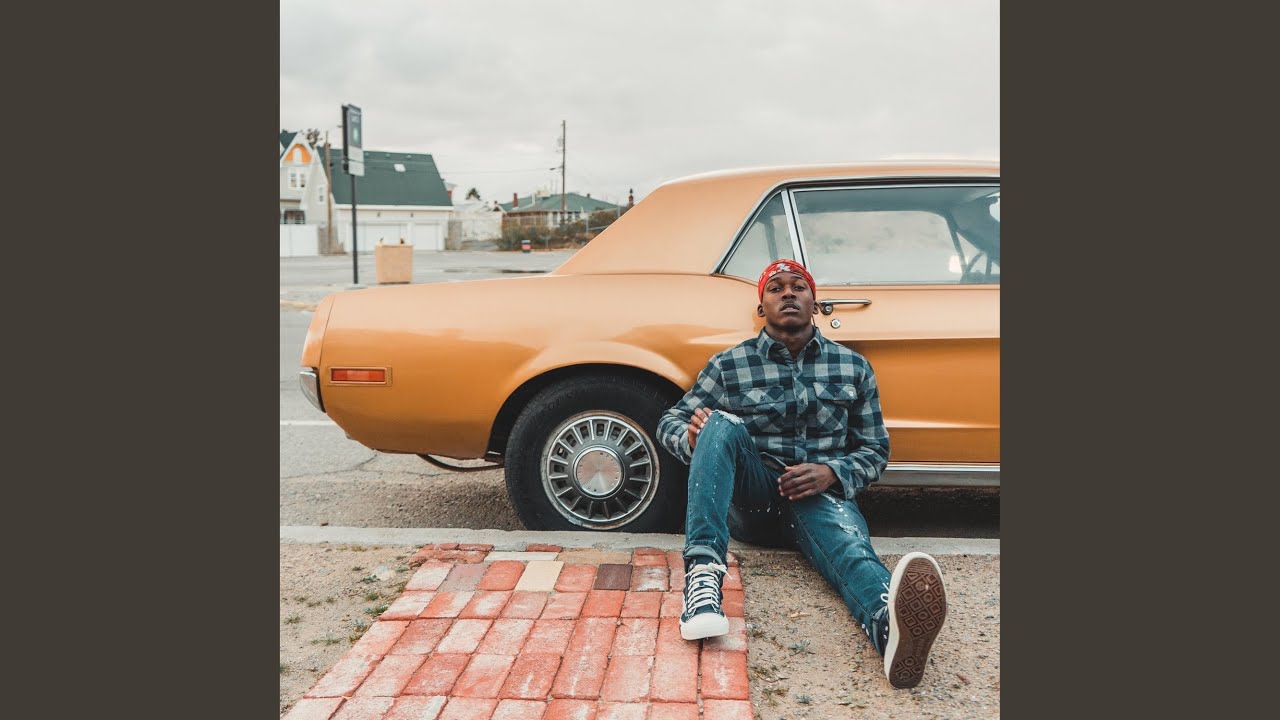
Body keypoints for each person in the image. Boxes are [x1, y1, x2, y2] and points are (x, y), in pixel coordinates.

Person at [656, 258, 948, 689]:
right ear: (762, 308)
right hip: (754, 499)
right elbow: (670, 421)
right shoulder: (728, 365)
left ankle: (889, 626)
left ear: (815, 303)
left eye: (799, 287)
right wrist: (692, 437)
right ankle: (702, 579)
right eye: (776, 288)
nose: (788, 293)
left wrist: (831, 472)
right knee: (716, 423)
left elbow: (875, 450)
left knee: (852, 551)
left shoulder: (852, 367)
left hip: (820, 500)